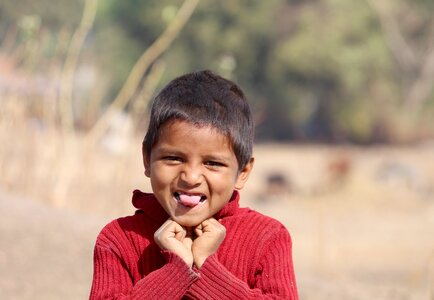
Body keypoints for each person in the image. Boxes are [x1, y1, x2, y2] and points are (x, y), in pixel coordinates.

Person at [90, 70, 298, 299]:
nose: (190, 177)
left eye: (212, 163)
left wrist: (206, 267)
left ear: (243, 172)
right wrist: (176, 272)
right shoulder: (119, 239)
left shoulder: (267, 238)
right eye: (173, 158)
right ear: (147, 158)